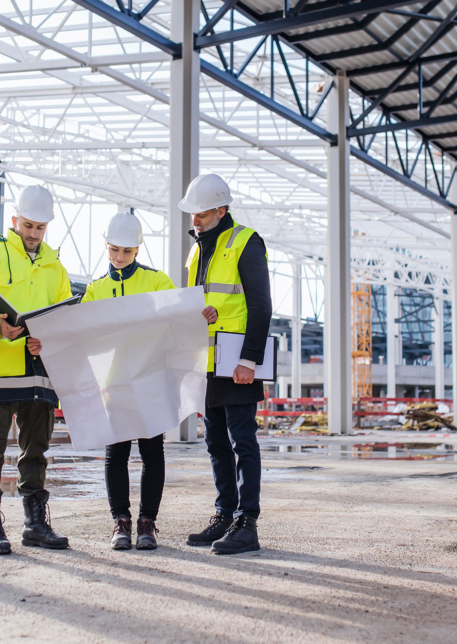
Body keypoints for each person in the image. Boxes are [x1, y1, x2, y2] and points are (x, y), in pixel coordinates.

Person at [0, 184, 73, 554]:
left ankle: (36, 524)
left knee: (36, 452)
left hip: (40, 371)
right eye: (28, 225)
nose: (33, 234)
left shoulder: (56, 269)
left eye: (40, 227)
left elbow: (64, 320)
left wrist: (50, 338)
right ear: (14, 220)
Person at [178, 174, 272, 555]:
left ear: (221, 209)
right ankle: (224, 513)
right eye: (193, 214)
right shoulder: (197, 250)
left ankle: (247, 522)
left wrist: (250, 360)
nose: (195, 220)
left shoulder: (246, 242)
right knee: (216, 444)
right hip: (208, 360)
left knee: (242, 442)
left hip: (236, 361)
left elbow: (261, 305)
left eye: (201, 214)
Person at [81, 211, 186, 550]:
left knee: (153, 452)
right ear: (106, 246)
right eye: (114, 250)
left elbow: (179, 320)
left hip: (151, 380)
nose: (119, 257)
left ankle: (147, 523)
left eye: (126, 251)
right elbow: (80, 334)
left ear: (138, 250)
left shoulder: (157, 282)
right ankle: (120, 522)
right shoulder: (96, 289)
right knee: (117, 454)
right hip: (114, 383)